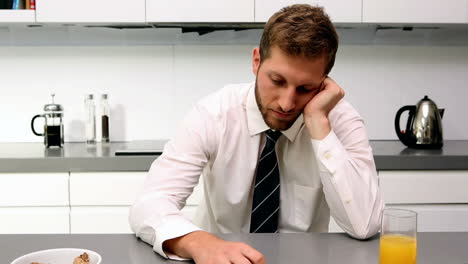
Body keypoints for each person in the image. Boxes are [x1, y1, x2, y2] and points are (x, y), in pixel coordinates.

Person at [130, 4, 384, 264]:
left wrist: (318, 123)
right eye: (277, 81)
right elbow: (150, 203)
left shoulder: (338, 120)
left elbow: (364, 224)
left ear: (324, 83)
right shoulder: (214, 114)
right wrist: (199, 243)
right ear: (256, 61)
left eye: (306, 88)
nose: (287, 103)